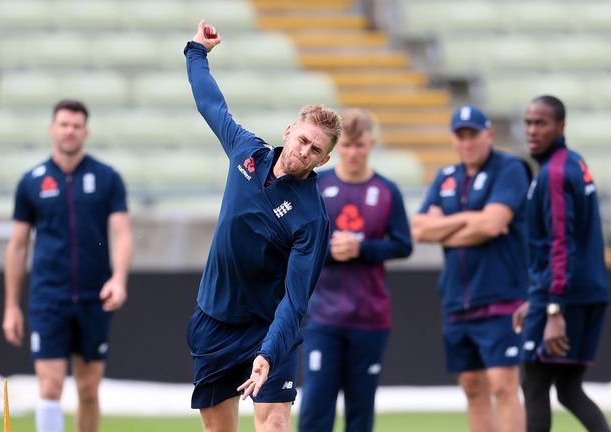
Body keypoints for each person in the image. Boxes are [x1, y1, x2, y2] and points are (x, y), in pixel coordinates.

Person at [184, 20, 343, 432]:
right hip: (214, 318)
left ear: (324, 160)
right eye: (302, 140)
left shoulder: (312, 219)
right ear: (289, 131)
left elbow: (296, 299)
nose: (304, 151)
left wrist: (269, 353)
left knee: (273, 424)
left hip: (269, 329)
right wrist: (197, 51)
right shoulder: (247, 152)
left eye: (316, 150)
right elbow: (211, 105)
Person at [2, 99, 133, 432]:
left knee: (88, 389)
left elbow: (121, 232)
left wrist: (118, 279)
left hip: (94, 297)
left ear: (85, 132)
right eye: (64, 124)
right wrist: (11, 306)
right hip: (49, 298)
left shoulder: (107, 178)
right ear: (52, 129)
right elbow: (17, 246)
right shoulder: (32, 181)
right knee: (50, 387)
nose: (70, 131)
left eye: (76, 126)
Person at [411, 105, 529, 432]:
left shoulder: (509, 168)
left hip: (500, 295)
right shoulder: (446, 177)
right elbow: (419, 230)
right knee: (472, 387)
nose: (467, 142)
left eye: (473, 135)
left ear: (488, 134)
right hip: (457, 298)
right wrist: (468, 220)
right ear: (453, 139)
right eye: (460, 135)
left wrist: (445, 227)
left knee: (503, 384)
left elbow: (492, 224)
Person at [298, 108, 413, 432]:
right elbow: (298, 241)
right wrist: (331, 250)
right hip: (323, 315)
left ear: (371, 144)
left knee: (361, 412)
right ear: (336, 148)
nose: (352, 153)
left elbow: (403, 245)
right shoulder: (317, 185)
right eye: (347, 146)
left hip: (369, 316)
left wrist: (361, 248)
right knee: (315, 408)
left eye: (359, 145)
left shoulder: (387, 190)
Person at [512, 96, 611, 432]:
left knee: (534, 382)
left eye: (541, 123)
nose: (532, 130)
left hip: (564, 295)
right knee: (568, 389)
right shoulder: (574, 162)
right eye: (528, 122)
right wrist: (536, 298)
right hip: (583, 290)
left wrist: (553, 308)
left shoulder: (554, 173)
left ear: (561, 126)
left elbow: (561, 241)